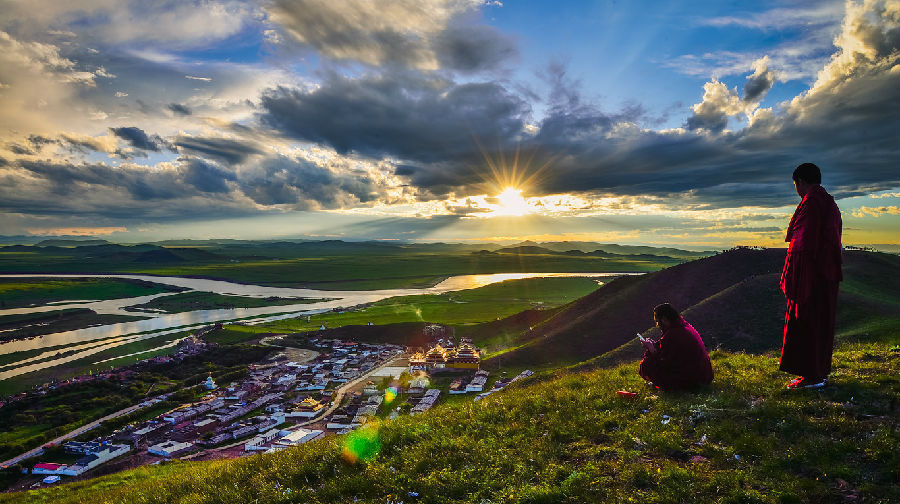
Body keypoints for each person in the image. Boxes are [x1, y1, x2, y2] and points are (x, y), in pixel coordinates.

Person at [779, 163, 842, 389]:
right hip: (825, 275)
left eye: (795, 184)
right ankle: (818, 373)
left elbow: (803, 247)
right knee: (821, 324)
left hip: (812, 278)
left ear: (801, 181)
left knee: (809, 324)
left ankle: (812, 376)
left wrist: (794, 279)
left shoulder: (812, 204)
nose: (796, 188)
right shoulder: (828, 202)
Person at [639, 303, 713, 390]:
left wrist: (651, 349)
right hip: (704, 375)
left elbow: (665, 363)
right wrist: (654, 345)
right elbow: (672, 352)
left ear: (664, 319)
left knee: (647, 363)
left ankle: (663, 385)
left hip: (694, 380)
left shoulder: (673, 334)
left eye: (657, 321)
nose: (657, 325)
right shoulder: (684, 326)